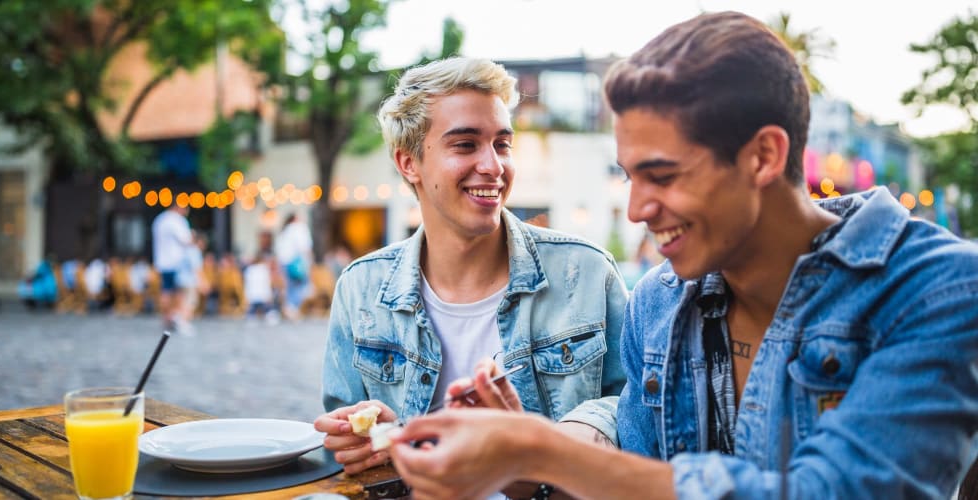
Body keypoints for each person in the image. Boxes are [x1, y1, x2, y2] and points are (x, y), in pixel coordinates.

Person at [386, 12, 978, 499]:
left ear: (763, 157)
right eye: (629, 177)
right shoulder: (659, 301)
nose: (638, 210)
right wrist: (518, 469)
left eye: (662, 176)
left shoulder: (937, 289)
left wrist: (538, 448)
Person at [313, 57, 629, 476]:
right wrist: (379, 439)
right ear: (409, 162)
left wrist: (538, 448)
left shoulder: (586, 272)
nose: (494, 166)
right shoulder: (361, 288)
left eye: (502, 143)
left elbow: (634, 410)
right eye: (465, 144)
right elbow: (350, 439)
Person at [151, 204, 192, 332]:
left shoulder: (159, 219)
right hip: (177, 262)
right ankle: (179, 319)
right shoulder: (177, 220)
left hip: (162, 262)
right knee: (180, 292)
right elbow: (186, 240)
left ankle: (167, 319)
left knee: (166, 291)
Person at [275, 212, 313, 321]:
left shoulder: (285, 231)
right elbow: (305, 247)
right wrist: (310, 261)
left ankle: (289, 309)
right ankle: (292, 310)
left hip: (285, 263)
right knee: (300, 287)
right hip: (297, 263)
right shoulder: (299, 228)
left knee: (289, 288)